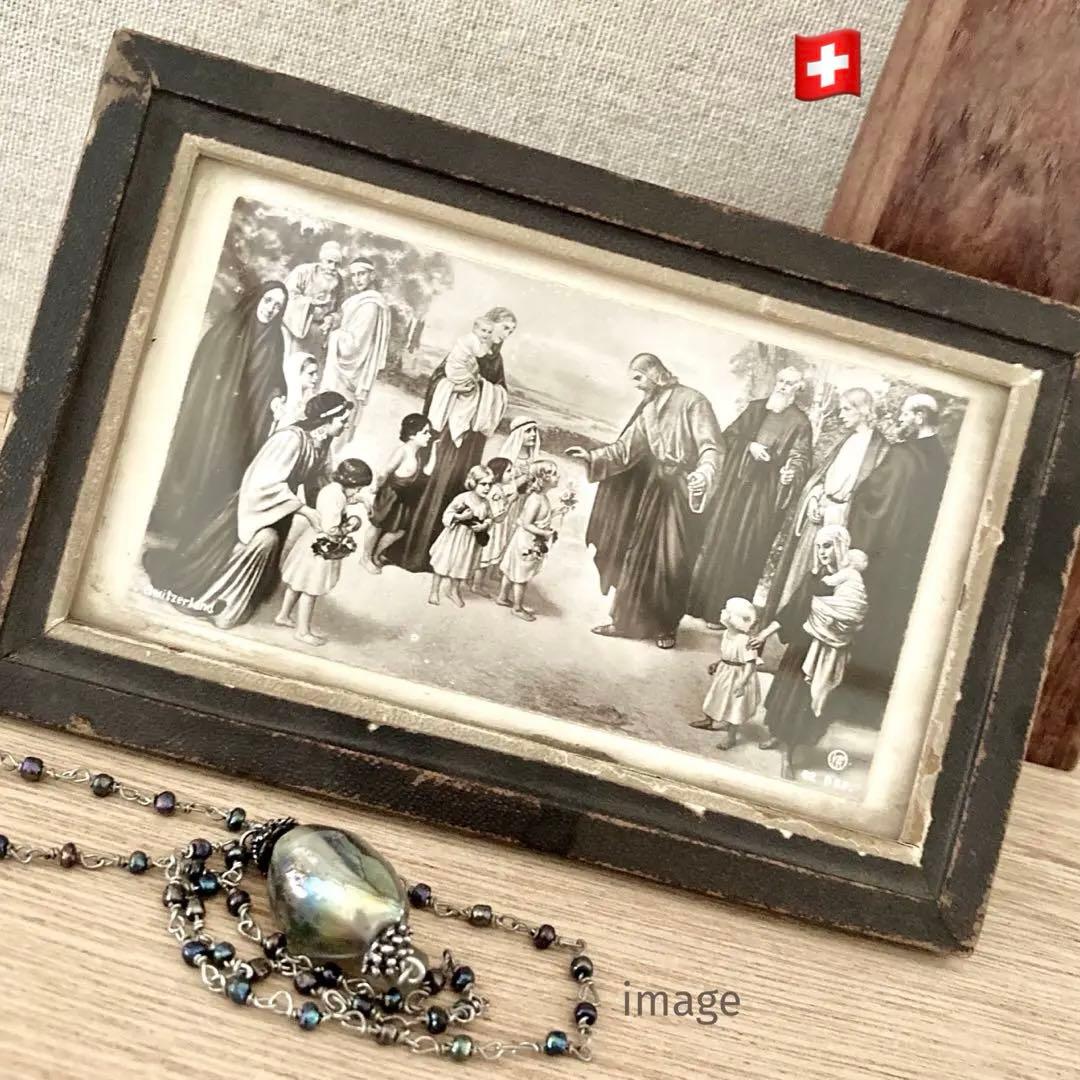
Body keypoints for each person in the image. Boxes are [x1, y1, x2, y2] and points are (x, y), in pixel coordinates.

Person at [143, 392, 353, 630]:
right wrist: (305, 511)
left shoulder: (323, 444)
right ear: (326, 419)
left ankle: (233, 603)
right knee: (264, 541)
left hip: (279, 510)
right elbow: (264, 483)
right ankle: (216, 602)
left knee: (269, 544)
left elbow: (320, 483)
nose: (346, 425)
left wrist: (334, 513)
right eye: (342, 420)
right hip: (254, 507)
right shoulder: (290, 439)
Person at [569, 352, 722, 649]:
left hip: (681, 490)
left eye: (639, 378)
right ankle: (624, 622)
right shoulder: (650, 409)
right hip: (654, 491)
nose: (637, 385)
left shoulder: (694, 401)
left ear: (653, 372)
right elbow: (626, 449)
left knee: (674, 559)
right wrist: (592, 457)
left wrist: (704, 474)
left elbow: (711, 446)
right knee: (637, 555)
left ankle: (666, 627)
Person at [146, 280, 289, 546]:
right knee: (199, 460)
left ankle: (198, 531)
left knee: (226, 470)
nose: (271, 309)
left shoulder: (275, 340)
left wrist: (277, 398)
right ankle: (171, 521)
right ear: (258, 299)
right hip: (213, 414)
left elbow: (275, 378)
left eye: (278, 306)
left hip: (244, 422)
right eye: (269, 301)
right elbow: (205, 370)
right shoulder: (230, 328)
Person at [840, 392, 948, 722]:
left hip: (881, 555)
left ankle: (847, 704)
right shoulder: (942, 460)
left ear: (919, 416)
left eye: (905, 414)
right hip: (911, 562)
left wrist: (859, 540)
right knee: (892, 626)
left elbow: (875, 501)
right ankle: (872, 710)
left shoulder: (903, 454)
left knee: (865, 622)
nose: (900, 419)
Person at [393, 308, 517, 572]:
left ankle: (443, 556)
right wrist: (457, 387)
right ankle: (413, 552)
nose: (507, 334)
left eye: (511, 331)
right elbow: (439, 380)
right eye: (506, 328)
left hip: (472, 437)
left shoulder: (496, 359)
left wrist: (485, 390)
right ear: (491, 325)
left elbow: (501, 393)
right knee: (437, 482)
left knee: (459, 485)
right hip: (450, 431)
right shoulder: (466, 348)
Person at [687, 366, 812, 628]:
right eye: (780, 380)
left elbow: (800, 458)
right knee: (717, 540)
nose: (782, 386)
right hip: (733, 490)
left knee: (745, 550)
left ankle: (724, 613)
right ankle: (695, 602)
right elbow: (728, 437)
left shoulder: (801, 423)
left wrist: (790, 472)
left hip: (763, 496)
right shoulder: (756, 408)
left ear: (798, 389)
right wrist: (749, 446)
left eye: (789, 383)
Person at [751, 525, 867, 779]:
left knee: (802, 701)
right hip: (801, 646)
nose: (822, 552)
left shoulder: (849, 580)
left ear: (839, 546)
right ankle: (776, 735)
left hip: (824, 651)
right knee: (785, 693)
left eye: (827, 546)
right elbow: (792, 609)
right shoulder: (813, 577)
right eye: (818, 546)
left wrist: (839, 627)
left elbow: (854, 613)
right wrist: (763, 634)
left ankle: (789, 755)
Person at [762, 387, 887, 619]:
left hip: (839, 522)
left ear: (862, 410)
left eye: (846, 409)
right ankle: (780, 623)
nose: (841, 415)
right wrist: (814, 498)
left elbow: (868, 497)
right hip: (816, 517)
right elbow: (821, 478)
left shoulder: (879, 448)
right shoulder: (846, 440)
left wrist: (835, 509)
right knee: (798, 574)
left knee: (822, 579)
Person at [276, 458, 373, 646]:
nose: (357, 492)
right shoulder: (336, 496)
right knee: (311, 589)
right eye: (357, 488)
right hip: (321, 547)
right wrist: (350, 527)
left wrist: (360, 500)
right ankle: (302, 632)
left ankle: (283, 615)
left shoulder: (333, 490)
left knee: (297, 583)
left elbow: (345, 499)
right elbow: (330, 529)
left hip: (310, 541)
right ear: (350, 482)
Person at [320, 257, 391, 451]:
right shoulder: (357, 300)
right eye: (354, 275)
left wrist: (334, 334)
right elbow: (344, 320)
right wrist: (333, 319)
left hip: (349, 370)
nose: (357, 279)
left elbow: (354, 346)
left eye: (362, 274)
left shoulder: (370, 305)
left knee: (338, 416)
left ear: (372, 275)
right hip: (342, 370)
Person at [360, 413, 434, 573]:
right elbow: (384, 472)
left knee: (399, 531)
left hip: (403, 499)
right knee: (377, 526)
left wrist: (435, 450)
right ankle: (365, 558)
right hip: (390, 495)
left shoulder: (417, 454)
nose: (429, 436)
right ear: (412, 435)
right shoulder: (402, 451)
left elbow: (427, 473)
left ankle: (376, 554)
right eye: (425, 432)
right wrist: (375, 488)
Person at [496, 459, 565, 622]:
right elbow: (527, 523)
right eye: (554, 474)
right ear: (542, 479)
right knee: (522, 575)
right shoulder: (536, 499)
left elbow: (541, 518)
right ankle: (517, 608)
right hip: (526, 542)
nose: (558, 477)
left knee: (512, 569)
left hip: (525, 540)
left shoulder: (542, 497)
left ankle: (502, 597)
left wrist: (555, 512)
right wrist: (545, 533)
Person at [691, 596, 761, 750]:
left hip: (739, 676)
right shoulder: (727, 634)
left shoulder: (745, 641)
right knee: (715, 695)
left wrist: (742, 683)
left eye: (727, 611)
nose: (723, 612)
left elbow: (750, 664)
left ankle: (731, 737)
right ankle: (709, 720)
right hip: (726, 671)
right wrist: (718, 663)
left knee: (735, 706)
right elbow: (728, 655)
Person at [428, 465, 495, 608]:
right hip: (455, 537)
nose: (487, 488)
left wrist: (484, 525)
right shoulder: (463, 498)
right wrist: (460, 517)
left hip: (470, 540)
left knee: (461, 564)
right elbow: (447, 514)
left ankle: (454, 591)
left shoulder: (485, 502)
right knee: (443, 563)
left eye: (490, 484)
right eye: (483, 484)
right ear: (473, 483)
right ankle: (434, 591)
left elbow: (490, 518)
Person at [282, 242, 346, 356]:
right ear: (321, 260)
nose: (332, 268)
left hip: (321, 333)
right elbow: (287, 296)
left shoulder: (339, 281)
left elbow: (340, 309)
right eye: (329, 262)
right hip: (298, 330)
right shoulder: (303, 272)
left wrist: (332, 318)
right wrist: (310, 308)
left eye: (337, 264)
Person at [270, 353, 320, 433]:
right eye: (311, 373)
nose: (316, 377)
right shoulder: (280, 403)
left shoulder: (315, 402)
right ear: (296, 373)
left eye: (316, 373)